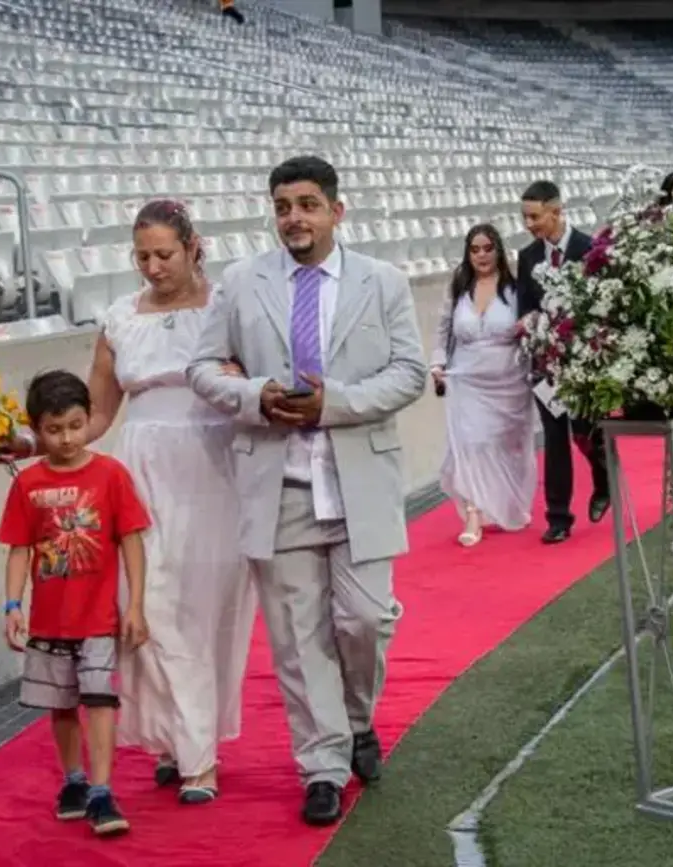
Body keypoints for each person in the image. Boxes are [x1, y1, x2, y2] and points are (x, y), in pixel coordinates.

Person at [187, 155, 426, 826]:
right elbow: (202, 367)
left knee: (365, 619)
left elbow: (409, 372)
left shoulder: (382, 282)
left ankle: (356, 720)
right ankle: (321, 764)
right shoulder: (242, 283)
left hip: (361, 480)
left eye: (308, 203)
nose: (294, 216)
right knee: (297, 637)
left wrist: (336, 403)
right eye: (284, 204)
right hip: (277, 479)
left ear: (335, 211)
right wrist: (252, 395)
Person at [4, 201, 256, 806]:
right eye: (142, 256)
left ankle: (191, 743)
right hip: (141, 472)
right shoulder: (119, 318)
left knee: (205, 611)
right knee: (152, 609)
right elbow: (94, 417)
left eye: (164, 254)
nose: (153, 266)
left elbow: (255, 381)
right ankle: (189, 755)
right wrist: (26, 443)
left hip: (214, 467)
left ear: (194, 247)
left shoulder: (230, 306)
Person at [0, 370, 152, 837]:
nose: (66, 438)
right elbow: (19, 549)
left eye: (75, 425)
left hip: (98, 620)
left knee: (100, 702)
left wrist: (136, 605)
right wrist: (12, 605)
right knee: (61, 706)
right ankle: (74, 780)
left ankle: (103, 791)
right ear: (36, 430)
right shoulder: (27, 485)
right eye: (54, 429)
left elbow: (131, 541)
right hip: (48, 623)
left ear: (89, 420)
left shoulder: (111, 475)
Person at [430, 223, 536, 547]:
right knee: (471, 444)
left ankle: (502, 504)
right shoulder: (459, 288)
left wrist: (529, 325)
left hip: (509, 381)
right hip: (467, 379)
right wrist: (437, 362)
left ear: (498, 250)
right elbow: (444, 330)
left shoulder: (515, 289)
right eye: (474, 250)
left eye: (487, 248)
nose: (481, 256)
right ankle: (473, 513)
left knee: (503, 447)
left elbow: (535, 323)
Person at [516, 180, 610, 545]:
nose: (529, 224)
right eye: (525, 217)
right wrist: (530, 326)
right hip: (546, 364)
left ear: (557, 211)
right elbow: (525, 307)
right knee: (554, 438)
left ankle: (604, 481)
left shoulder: (591, 249)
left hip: (584, 362)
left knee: (586, 433)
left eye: (535, 216)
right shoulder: (527, 257)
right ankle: (558, 517)